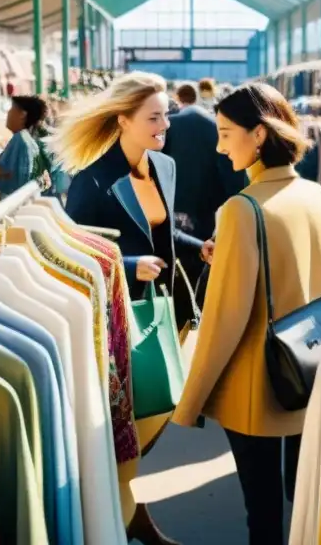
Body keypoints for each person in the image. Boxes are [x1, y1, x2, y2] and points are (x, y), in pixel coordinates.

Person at [173, 83, 321, 545]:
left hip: (256, 383)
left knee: (263, 515)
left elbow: (225, 321)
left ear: (258, 136)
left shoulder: (241, 209)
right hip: (307, 370)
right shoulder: (316, 196)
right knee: (302, 502)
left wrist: (189, 404)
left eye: (227, 133)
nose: (218, 144)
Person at [59, 71, 211, 545]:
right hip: (119, 318)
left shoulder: (161, 166)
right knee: (129, 426)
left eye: (166, 114)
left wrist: (195, 245)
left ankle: (128, 513)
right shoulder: (93, 181)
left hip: (164, 311)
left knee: (149, 421)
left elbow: (160, 230)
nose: (165, 124)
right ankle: (121, 518)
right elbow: (75, 251)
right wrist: (127, 263)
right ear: (123, 119)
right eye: (154, 116)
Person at [163, 82, 247, 285]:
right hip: (203, 218)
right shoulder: (217, 129)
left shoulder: (167, 127)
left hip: (167, 217)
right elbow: (234, 185)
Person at [0, 95, 48, 197]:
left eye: (12, 109)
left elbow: (18, 184)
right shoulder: (26, 140)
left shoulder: (20, 141)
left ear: (22, 115)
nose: (8, 113)